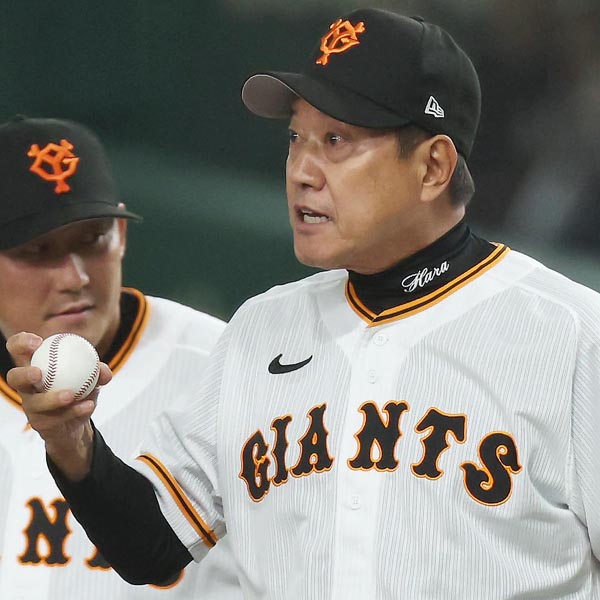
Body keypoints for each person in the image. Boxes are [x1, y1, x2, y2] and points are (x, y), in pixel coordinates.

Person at [7, 7, 600, 598]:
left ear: (433, 166)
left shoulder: (572, 336)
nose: (301, 172)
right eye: (296, 138)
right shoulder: (261, 329)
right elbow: (151, 548)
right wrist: (71, 441)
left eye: (337, 140)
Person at [0, 116, 242, 599]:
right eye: (38, 250)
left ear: (122, 235)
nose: (74, 278)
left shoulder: (222, 364)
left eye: (93, 238)